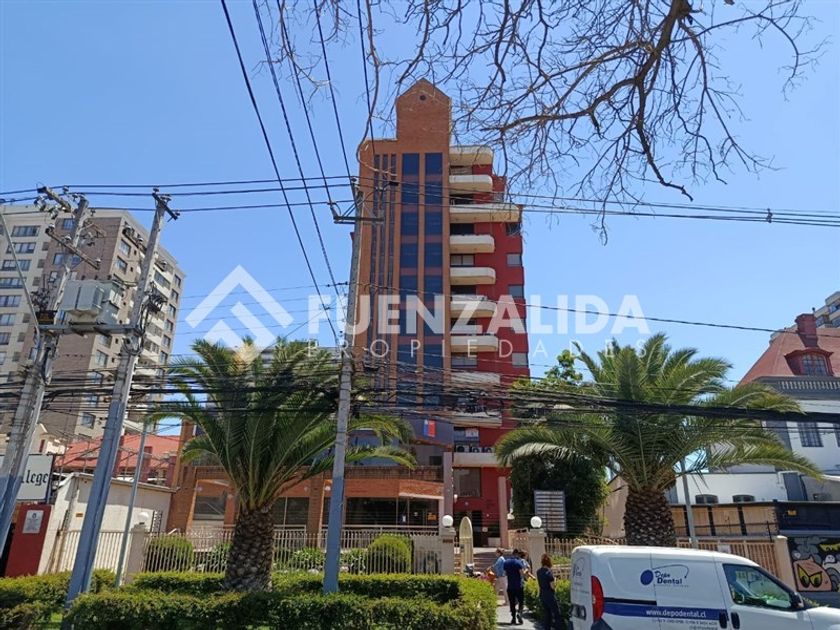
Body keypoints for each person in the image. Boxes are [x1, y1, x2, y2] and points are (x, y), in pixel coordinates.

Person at [537, 554, 563, 630]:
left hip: (542, 594)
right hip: (549, 595)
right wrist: (555, 580)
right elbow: (552, 586)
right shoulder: (549, 573)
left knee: (547, 614)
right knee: (557, 614)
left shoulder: (539, 572)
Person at [503, 548, 527, 625]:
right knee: (521, 601)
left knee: (512, 602)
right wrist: (526, 571)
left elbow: (505, 573)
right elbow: (522, 574)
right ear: (517, 554)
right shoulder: (518, 562)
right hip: (519, 585)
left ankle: (513, 618)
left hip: (510, 586)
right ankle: (519, 613)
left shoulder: (506, 562)